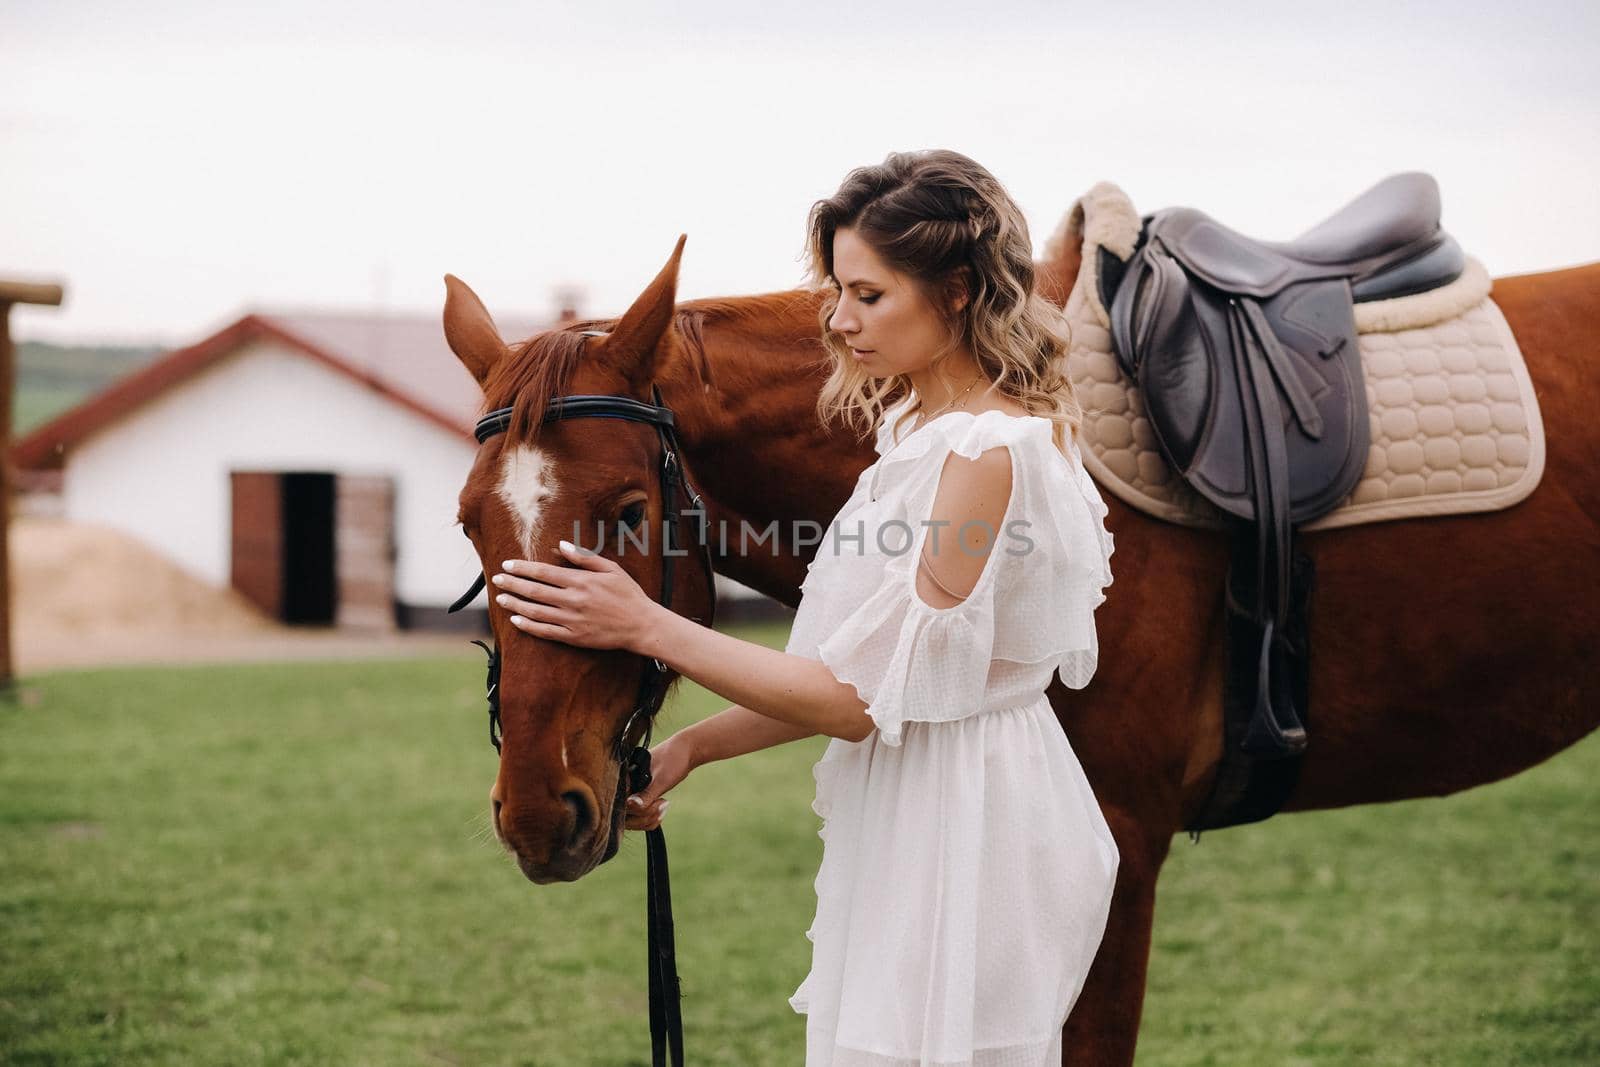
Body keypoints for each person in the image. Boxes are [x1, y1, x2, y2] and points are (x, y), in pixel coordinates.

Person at [490, 149, 1119, 1066]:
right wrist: (693, 746)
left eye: (869, 295)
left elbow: (860, 703)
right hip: (930, 802)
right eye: (838, 291)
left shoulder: (986, 454)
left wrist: (643, 623)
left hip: (975, 828)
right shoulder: (917, 436)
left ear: (952, 293)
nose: (839, 320)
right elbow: (867, 676)